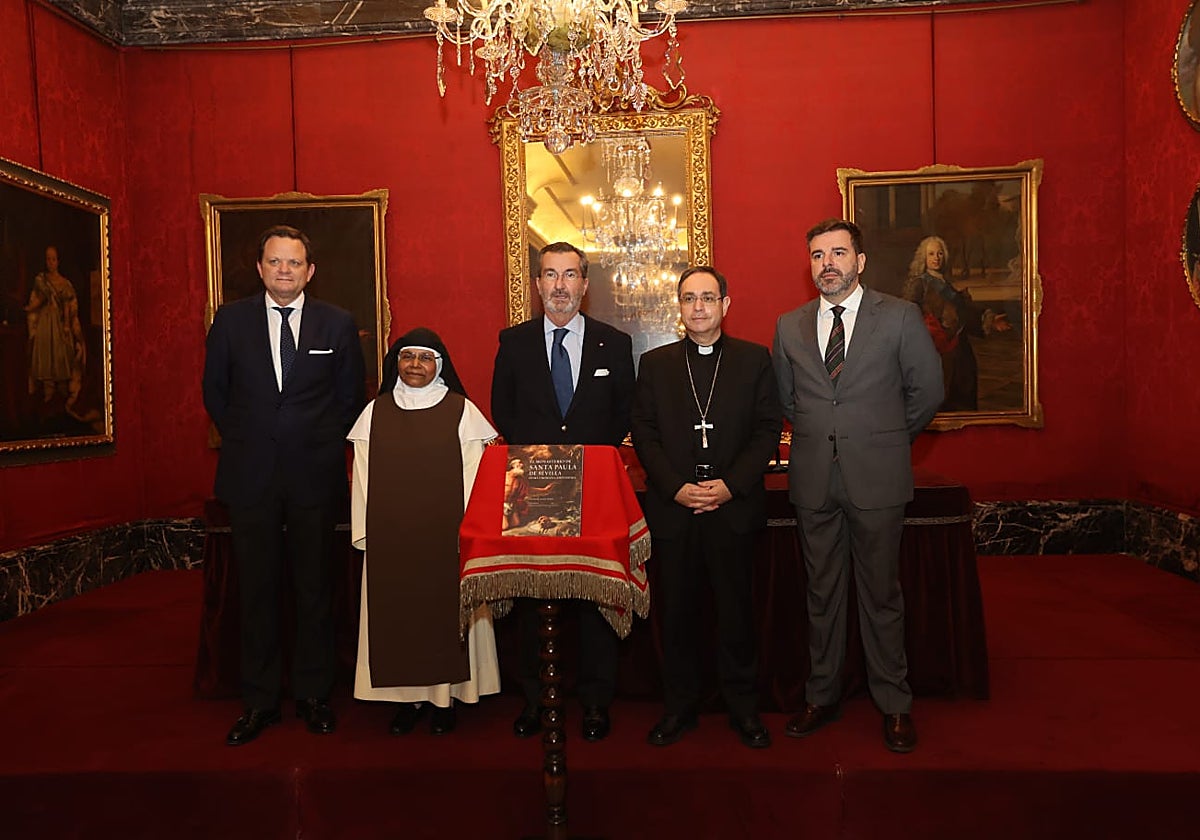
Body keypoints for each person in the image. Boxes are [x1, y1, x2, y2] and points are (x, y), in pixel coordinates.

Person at [772, 219, 943, 754]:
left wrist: (886, 438)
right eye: (818, 255)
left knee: (880, 596)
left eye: (838, 253)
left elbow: (928, 391)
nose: (828, 264)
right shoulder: (788, 325)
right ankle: (822, 696)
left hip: (879, 478)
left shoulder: (899, 316)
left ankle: (894, 703)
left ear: (859, 261)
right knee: (821, 594)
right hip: (814, 479)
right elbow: (788, 401)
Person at [202, 225, 365, 746]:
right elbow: (215, 393)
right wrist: (255, 439)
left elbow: (350, 399)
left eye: (294, 263)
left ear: (309, 271)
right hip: (250, 478)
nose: (284, 270)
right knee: (258, 590)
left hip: (314, 477)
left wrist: (308, 441)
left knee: (315, 588)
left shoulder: (337, 324)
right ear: (260, 268)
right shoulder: (229, 322)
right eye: (274, 261)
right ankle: (260, 701)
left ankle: (315, 695)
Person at [631, 266, 781, 750]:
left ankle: (743, 709)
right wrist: (675, 487)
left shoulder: (754, 361)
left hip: (732, 511)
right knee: (677, 616)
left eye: (708, 298)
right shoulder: (655, 365)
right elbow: (645, 435)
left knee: (737, 615)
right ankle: (679, 708)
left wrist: (729, 486)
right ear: (679, 306)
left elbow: (766, 431)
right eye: (689, 298)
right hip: (674, 512)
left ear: (725, 305)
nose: (698, 307)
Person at [490, 241, 635, 742]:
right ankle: (535, 699)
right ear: (537, 285)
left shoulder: (613, 344)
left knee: (595, 600)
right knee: (534, 601)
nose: (559, 286)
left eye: (569, 275)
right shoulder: (513, 342)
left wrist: (585, 464)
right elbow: (504, 413)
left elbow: (622, 416)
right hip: (533, 490)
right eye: (549, 275)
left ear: (585, 284)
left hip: (595, 489)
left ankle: (595, 703)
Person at [347, 327, 500, 735]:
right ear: (395, 363)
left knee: (444, 617)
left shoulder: (462, 411)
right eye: (407, 356)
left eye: (425, 357)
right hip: (392, 538)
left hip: (446, 537)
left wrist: (470, 533)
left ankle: (446, 698)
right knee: (398, 617)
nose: (415, 365)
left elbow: (476, 477)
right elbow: (361, 478)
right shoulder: (374, 413)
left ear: (440, 365)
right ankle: (407, 700)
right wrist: (367, 535)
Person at [902, 235, 1011, 412]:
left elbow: (964, 314)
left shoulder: (947, 285)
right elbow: (909, 316)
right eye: (931, 254)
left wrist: (989, 320)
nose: (936, 258)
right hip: (933, 349)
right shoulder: (919, 284)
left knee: (964, 387)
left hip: (958, 347)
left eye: (939, 253)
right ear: (924, 258)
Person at [25, 246, 85, 413]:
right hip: (45, 322)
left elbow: (66, 305)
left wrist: (66, 325)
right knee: (45, 354)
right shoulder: (41, 280)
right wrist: (29, 308)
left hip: (59, 324)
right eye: (48, 259)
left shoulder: (64, 283)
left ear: (58, 261)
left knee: (60, 354)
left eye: (53, 259)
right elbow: (39, 301)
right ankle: (48, 393)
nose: (50, 262)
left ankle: (61, 394)